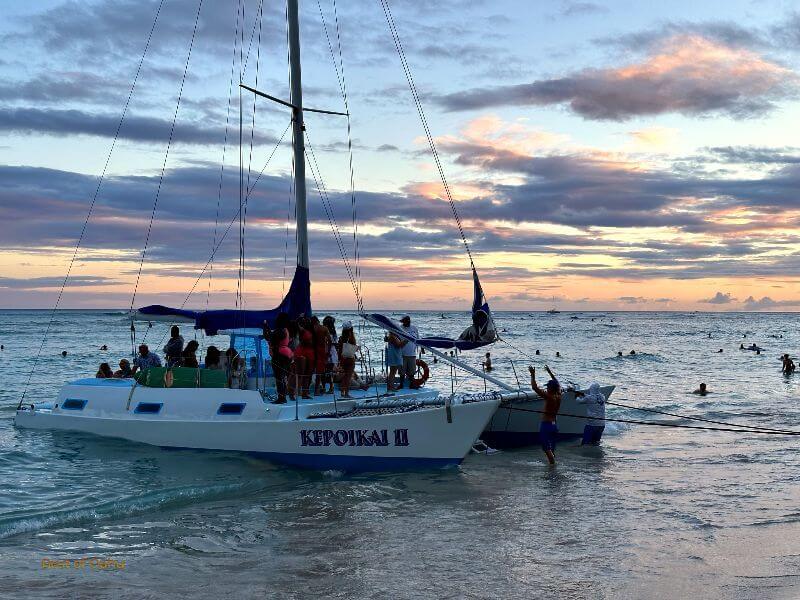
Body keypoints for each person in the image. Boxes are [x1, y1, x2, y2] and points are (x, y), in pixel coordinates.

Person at [529, 365, 561, 465]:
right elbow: (557, 383)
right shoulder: (559, 395)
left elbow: (534, 388)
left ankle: (553, 468)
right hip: (554, 425)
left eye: (548, 387)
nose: (546, 388)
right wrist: (549, 372)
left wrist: (532, 375)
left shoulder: (549, 397)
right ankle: (552, 466)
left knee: (546, 448)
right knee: (551, 449)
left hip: (546, 425)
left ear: (551, 388)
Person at [269, 313, 293, 404]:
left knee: (279, 377)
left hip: (279, 354)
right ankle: (284, 395)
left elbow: (271, 339)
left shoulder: (279, 331)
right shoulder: (286, 330)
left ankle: (281, 397)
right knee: (283, 376)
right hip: (287, 353)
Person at [337, 321, 359, 398]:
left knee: (343, 376)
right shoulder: (352, 338)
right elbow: (354, 349)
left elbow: (340, 349)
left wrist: (339, 359)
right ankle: (346, 393)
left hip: (343, 359)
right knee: (348, 377)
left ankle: (342, 393)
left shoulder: (341, 338)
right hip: (350, 358)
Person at [311, 316, 331, 396]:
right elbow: (329, 340)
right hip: (321, 350)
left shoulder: (312, 328)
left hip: (312, 350)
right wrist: (328, 351)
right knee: (321, 371)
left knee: (312, 370)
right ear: (318, 321)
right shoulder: (324, 328)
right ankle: (318, 390)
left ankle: (310, 390)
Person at [398, 315, 418, 389]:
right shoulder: (400, 328)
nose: (407, 323)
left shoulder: (414, 328)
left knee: (412, 371)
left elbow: (418, 339)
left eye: (408, 322)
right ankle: (401, 384)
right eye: (406, 322)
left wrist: (422, 348)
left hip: (412, 353)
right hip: (402, 353)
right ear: (403, 322)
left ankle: (411, 384)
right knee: (402, 371)